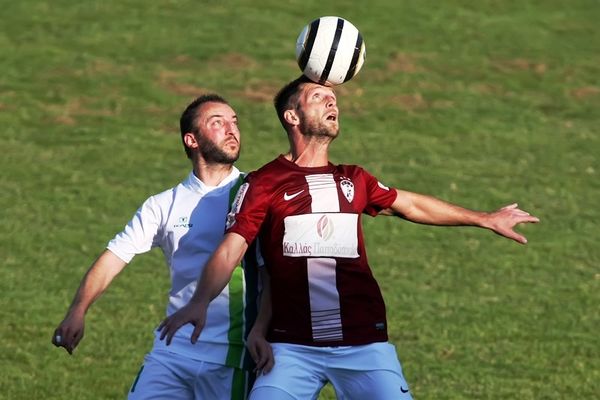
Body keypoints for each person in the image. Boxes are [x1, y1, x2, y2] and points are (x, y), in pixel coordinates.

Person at [157, 76, 540, 400]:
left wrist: (484, 218)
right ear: (292, 116)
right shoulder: (262, 183)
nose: (331, 102)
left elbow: (411, 205)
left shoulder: (354, 179)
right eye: (319, 97)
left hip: (365, 345)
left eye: (334, 98)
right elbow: (235, 251)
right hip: (290, 349)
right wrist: (201, 303)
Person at [52, 94, 265, 400]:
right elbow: (114, 257)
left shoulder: (254, 194)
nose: (232, 129)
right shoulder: (163, 205)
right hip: (172, 349)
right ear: (191, 140)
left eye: (234, 122)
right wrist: (78, 310)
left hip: (230, 357)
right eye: (217, 122)